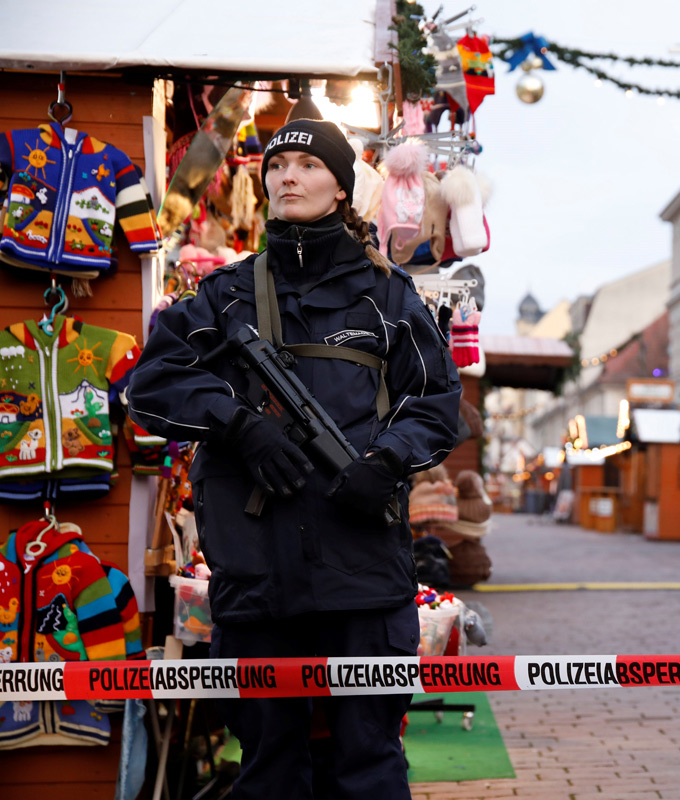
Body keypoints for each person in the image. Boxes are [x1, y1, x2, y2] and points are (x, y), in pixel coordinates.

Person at [127, 118, 462, 800]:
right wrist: (239, 426)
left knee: (368, 765)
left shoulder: (389, 296)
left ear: (342, 187)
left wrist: (386, 461)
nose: (287, 176)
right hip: (258, 572)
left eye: (308, 165)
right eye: (278, 165)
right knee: (270, 767)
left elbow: (435, 401)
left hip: (364, 568)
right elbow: (150, 388)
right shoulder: (222, 295)